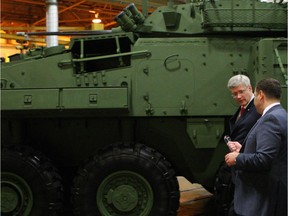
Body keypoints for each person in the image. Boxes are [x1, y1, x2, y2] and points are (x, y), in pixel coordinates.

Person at [225, 78, 287, 216]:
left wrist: (238, 158)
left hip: (263, 194)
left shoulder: (271, 119)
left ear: (260, 95)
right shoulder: (281, 114)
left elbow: (265, 159)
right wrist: (243, 149)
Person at [214, 75, 261, 216]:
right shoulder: (243, 108)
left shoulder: (258, 109)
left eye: (241, 92)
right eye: (234, 94)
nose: (238, 96)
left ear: (250, 88)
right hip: (239, 166)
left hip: (250, 168)